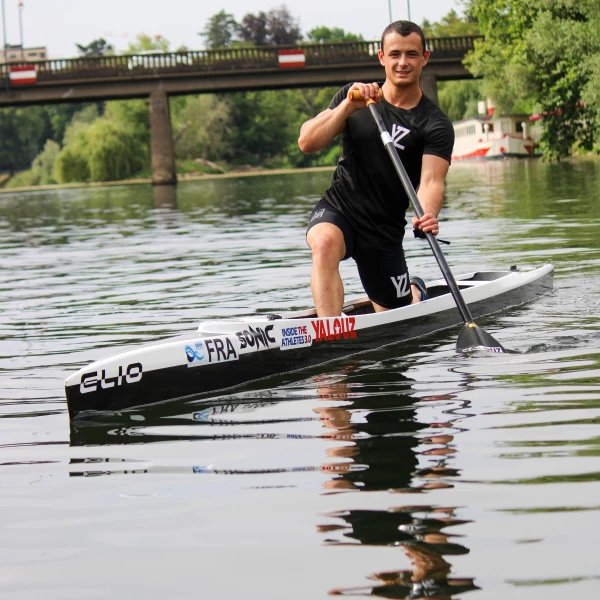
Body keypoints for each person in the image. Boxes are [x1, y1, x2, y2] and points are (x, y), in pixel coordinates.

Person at [298, 20, 454, 317]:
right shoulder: (354, 97)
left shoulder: (435, 124)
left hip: (383, 230)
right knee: (324, 243)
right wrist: (347, 107)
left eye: (411, 54)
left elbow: (432, 181)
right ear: (382, 57)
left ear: (425, 58)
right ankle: (331, 336)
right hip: (340, 207)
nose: (403, 62)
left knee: (394, 311)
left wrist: (427, 215)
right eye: (395, 54)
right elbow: (307, 142)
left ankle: (415, 291)